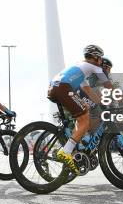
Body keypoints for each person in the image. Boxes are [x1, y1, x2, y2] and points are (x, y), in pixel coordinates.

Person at [47, 45, 114, 174]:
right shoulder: (93, 67)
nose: (101, 61)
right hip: (63, 88)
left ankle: (75, 143)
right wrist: (122, 99)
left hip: (54, 87)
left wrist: (100, 103)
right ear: (95, 57)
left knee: (85, 111)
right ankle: (66, 151)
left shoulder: (81, 67)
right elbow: (107, 84)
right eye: (100, 58)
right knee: (85, 121)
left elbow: (87, 89)